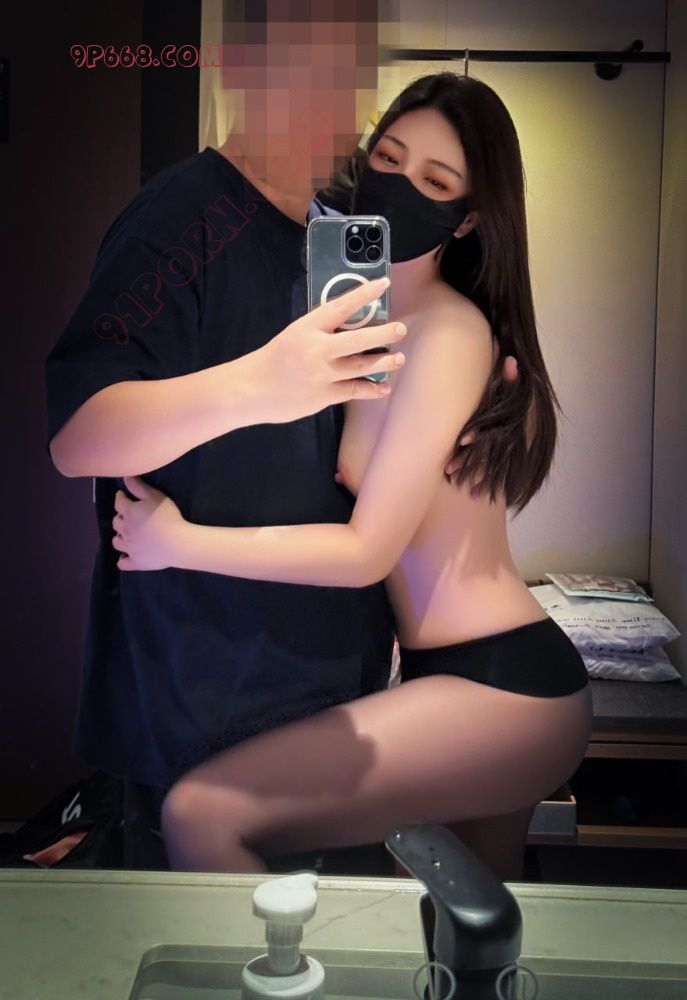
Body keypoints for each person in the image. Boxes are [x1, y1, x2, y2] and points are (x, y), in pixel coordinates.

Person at [45, 3, 522, 871]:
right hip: (199, 697)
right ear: (238, 67)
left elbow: (356, 469)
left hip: (334, 691)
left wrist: (468, 413)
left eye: (344, 70)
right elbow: (80, 440)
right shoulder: (178, 221)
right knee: (214, 936)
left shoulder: (339, 235)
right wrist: (261, 385)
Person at [111, 71, 593, 883]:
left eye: (435, 181)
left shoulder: (448, 334)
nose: (399, 186)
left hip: (503, 684)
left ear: (468, 218)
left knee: (203, 812)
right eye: (388, 158)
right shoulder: (364, 324)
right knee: (456, 928)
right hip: (455, 674)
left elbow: (368, 552)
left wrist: (177, 541)